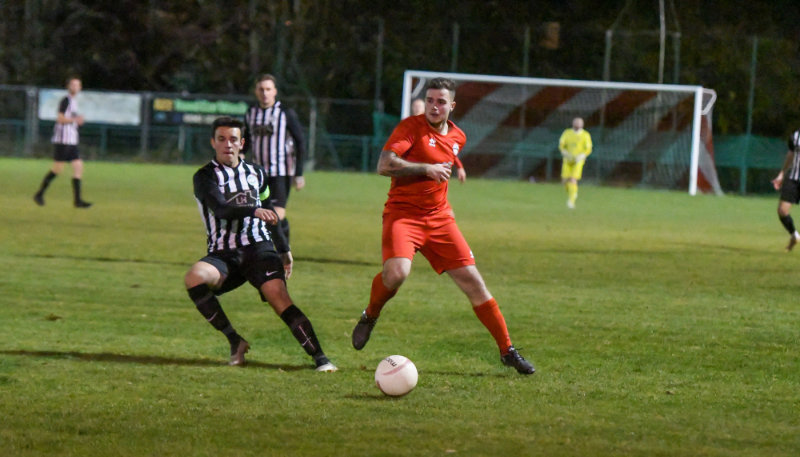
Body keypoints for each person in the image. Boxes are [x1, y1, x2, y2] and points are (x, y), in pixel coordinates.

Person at [351, 78, 535, 375]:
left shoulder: (459, 136)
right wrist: (425, 168)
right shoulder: (410, 127)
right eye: (430, 100)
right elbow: (384, 165)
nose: (434, 107)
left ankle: (507, 350)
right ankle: (370, 314)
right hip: (403, 216)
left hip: (439, 220)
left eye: (440, 102)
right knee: (397, 273)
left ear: (452, 106)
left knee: (474, 283)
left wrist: (449, 176)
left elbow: (446, 158)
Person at [184, 116, 336, 371]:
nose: (227, 144)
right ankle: (235, 341)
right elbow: (221, 209)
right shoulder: (204, 177)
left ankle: (321, 358)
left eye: (233, 139)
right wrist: (253, 209)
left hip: (258, 248)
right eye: (221, 139)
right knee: (194, 277)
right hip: (223, 253)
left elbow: (270, 213)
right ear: (213, 142)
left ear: (242, 143)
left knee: (279, 298)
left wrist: (284, 249)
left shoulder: (257, 173)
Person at [243, 74, 307, 243]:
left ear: (275, 91)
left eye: (268, 89)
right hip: (257, 173)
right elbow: (247, 140)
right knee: (258, 214)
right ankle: (266, 249)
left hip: (281, 172)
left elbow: (300, 142)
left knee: (276, 214)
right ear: (256, 91)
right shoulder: (251, 113)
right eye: (261, 89)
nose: (265, 93)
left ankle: (282, 249)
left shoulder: (285, 113)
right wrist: (239, 156)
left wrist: (299, 173)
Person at [34, 76, 91, 208]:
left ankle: (78, 201)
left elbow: (70, 119)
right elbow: (60, 119)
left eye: (77, 85)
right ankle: (39, 194)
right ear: (68, 87)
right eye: (73, 85)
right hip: (63, 140)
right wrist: (75, 120)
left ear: (80, 88)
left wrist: (77, 121)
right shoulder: (66, 100)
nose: (75, 87)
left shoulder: (74, 102)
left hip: (71, 140)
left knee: (78, 166)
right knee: (57, 169)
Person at [411, 97, 466, 184]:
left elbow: (448, 149)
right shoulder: (408, 127)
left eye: (419, 106)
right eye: (415, 106)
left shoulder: (433, 127)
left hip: (431, 177)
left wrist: (460, 167)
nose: (417, 109)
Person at [771, 129, 800, 251]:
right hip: (794, 179)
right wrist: (782, 174)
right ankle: (794, 235)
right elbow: (791, 154)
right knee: (782, 210)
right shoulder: (796, 136)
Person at [558, 117, 593, 209]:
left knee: (573, 179)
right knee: (565, 181)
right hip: (567, 159)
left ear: (582, 125)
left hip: (578, 161)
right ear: (573, 124)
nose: (578, 124)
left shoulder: (585, 135)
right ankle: (573, 192)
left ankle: (571, 201)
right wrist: (564, 152)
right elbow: (561, 144)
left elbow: (588, 148)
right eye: (576, 123)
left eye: (580, 123)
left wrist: (582, 155)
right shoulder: (567, 133)